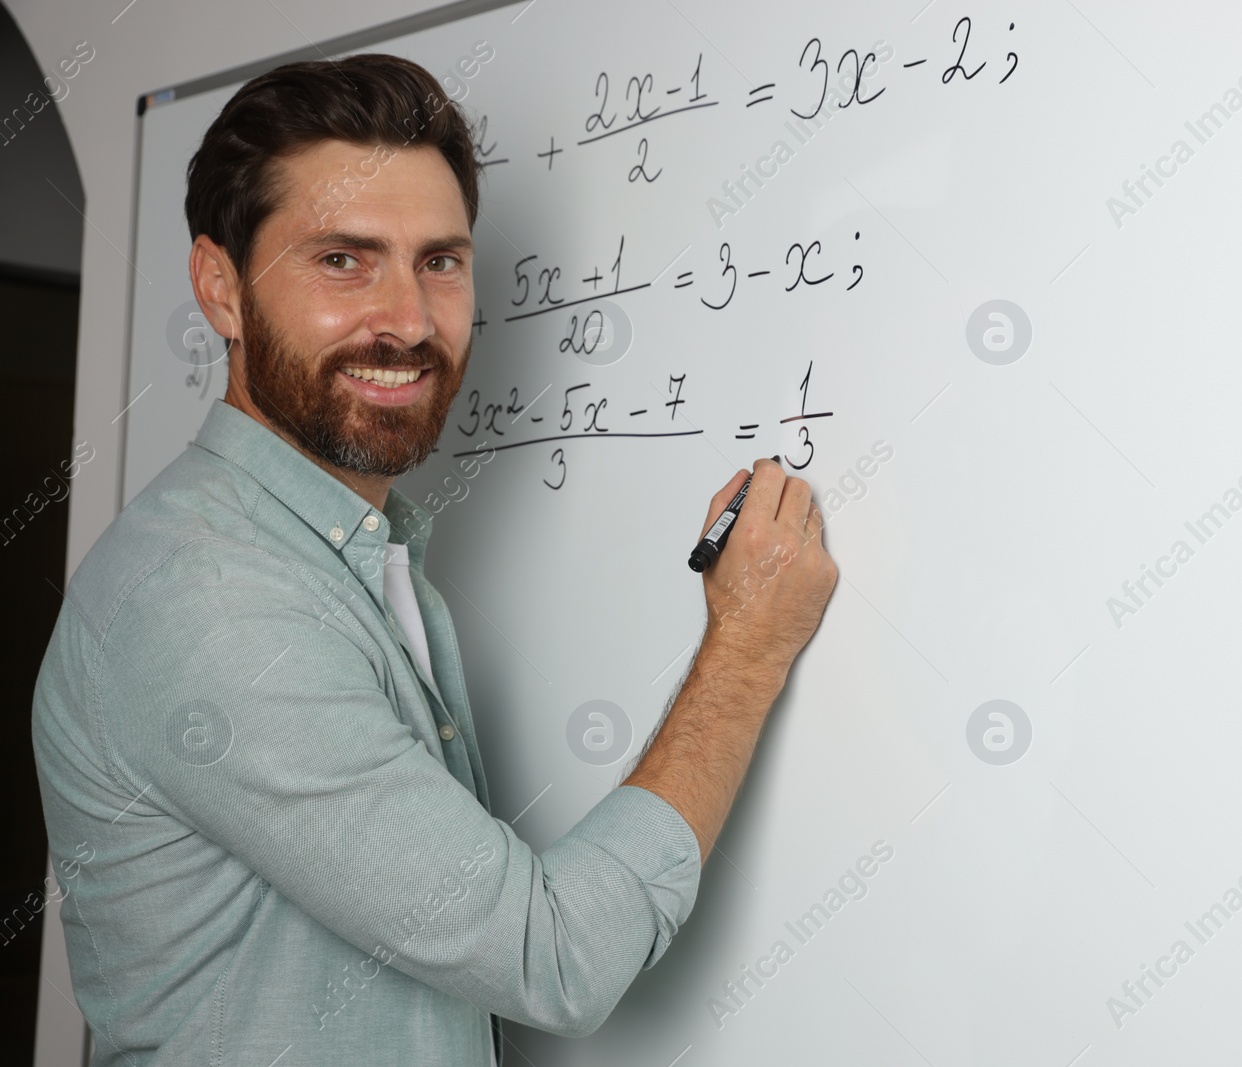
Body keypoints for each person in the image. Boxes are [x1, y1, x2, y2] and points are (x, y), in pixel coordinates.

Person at [31, 52, 837, 1065]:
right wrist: (747, 645)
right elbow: (555, 958)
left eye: (440, 261)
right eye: (342, 260)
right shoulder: (214, 602)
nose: (407, 322)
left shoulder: (356, 554)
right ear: (220, 287)